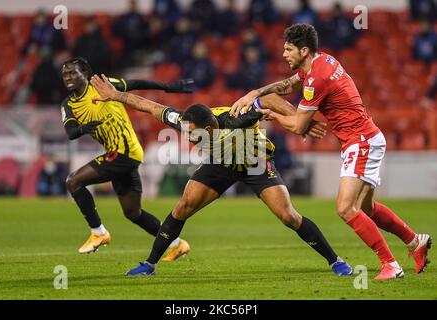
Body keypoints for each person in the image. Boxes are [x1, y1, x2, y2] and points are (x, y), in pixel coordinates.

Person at [90, 73, 353, 277]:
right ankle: (149, 264)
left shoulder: (236, 117)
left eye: (194, 134)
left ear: (210, 127)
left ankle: (336, 261)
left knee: (288, 216)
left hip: (254, 161)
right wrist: (115, 95)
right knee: (183, 207)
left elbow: (271, 99)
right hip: (221, 163)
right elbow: (148, 105)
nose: (190, 138)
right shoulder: (183, 120)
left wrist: (299, 120)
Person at [229, 24, 432, 280]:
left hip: (361, 142)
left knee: (346, 208)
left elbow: (299, 126)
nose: (284, 54)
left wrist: (271, 115)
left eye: (289, 49)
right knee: (366, 209)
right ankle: (415, 242)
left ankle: (390, 264)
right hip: (364, 138)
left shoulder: (316, 79)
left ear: (304, 50)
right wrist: (256, 93)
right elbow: (287, 85)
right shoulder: (323, 61)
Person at [60, 57, 194, 260]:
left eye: (72, 73)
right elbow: (70, 132)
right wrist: (82, 129)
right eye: (65, 74)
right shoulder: (68, 104)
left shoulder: (103, 85)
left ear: (85, 73)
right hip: (121, 155)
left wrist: (167, 87)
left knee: (73, 181)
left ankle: (98, 232)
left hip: (124, 151)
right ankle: (177, 244)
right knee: (133, 213)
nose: (68, 77)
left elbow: (137, 84)